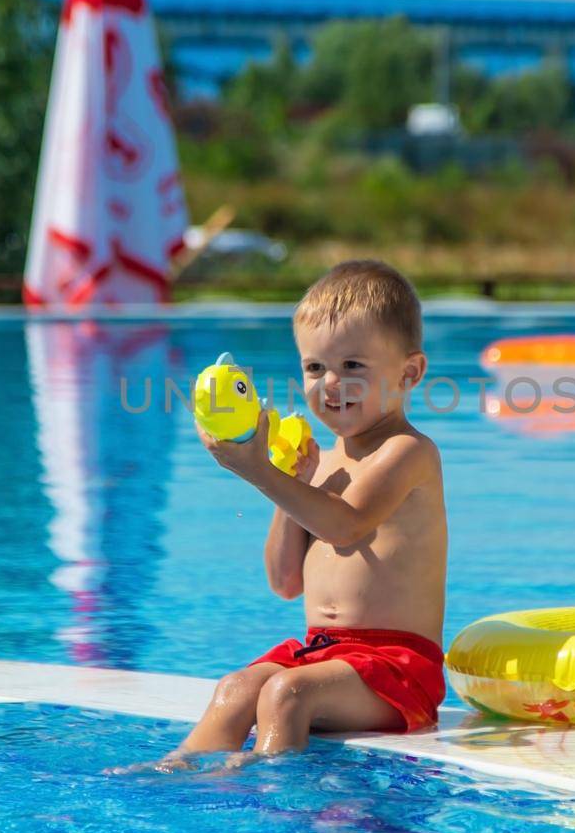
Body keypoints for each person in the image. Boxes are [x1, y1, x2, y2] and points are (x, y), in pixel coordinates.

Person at [163, 259, 447, 765]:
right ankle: (177, 775)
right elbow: (285, 580)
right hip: (323, 653)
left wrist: (256, 472)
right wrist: (288, 485)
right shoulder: (319, 464)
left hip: (398, 669)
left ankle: (274, 793)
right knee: (237, 688)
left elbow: (346, 525)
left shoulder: (407, 453)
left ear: (410, 373)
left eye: (352, 366)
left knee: (284, 695)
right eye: (315, 368)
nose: (330, 384)